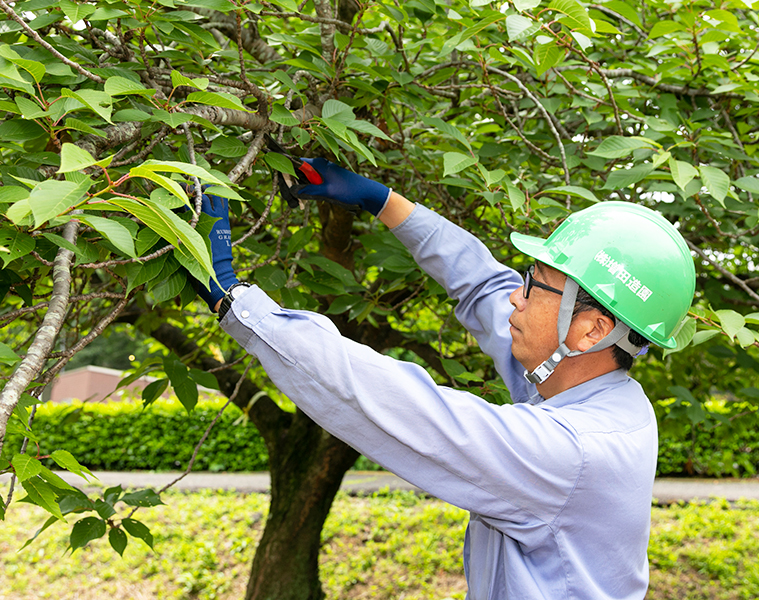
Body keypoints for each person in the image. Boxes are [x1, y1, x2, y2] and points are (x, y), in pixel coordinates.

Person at [193, 158, 696, 600]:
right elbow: (482, 282)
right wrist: (379, 199)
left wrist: (235, 302)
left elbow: (398, 404)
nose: (516, 300)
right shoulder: (595, 393)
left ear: (592, 329)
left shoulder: (572, 452)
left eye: (536, 288)